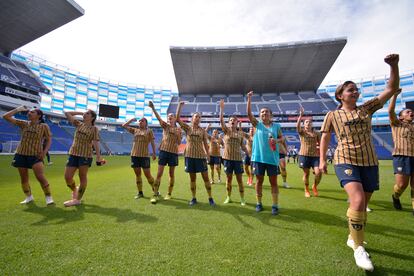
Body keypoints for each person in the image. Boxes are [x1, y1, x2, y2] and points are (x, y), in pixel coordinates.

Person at [319, 54, 399, 272]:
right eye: (349, 89)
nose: (354, 91)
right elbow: (325, 137)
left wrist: (394, 66)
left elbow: (391, 88)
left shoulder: (367, 108)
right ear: (340, 95)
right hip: (345, 158)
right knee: (356, 199)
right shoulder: (332, 115)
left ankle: (352, 237)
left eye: (356, 89)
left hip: (370, 160)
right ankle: (359, 248)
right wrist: (321, 161)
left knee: (362, 204)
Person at [3, 106, 54, 205]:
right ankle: (29, 197)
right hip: (21, 154)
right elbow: (5, 116)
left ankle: (48, 197)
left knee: (40, 177)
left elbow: (49, 140)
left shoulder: (44, 126)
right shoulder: (24, 124)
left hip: (35, 155)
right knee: (24, 178)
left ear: (39, 116)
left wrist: (44, 152)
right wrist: (17, 109)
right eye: (29, 112)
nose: (29, 113)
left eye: (32, 112)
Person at [246, 91, 282, 215]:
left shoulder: (276, 126)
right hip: (258, 158)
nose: (264, 113)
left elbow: (282, 139)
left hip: (272, 159)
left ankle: (275, 205)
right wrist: (249, 99)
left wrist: (276, 140)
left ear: (271, 115)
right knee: (258, 181)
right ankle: (259, 203)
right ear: (260, 115)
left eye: (266, 112)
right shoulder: (257, 124)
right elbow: (249, 114)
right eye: (262, 112)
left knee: (273, 182)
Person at [176, 101, 215, 206]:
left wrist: (208, 154)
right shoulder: (187, 128)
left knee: (205, 178)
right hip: (189, 157)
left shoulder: (202, 131)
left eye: (199, 117)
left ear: (200, 119)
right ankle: (193, 198)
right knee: (192, 179)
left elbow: (206, 144)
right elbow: (177, 119)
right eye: (195, 116)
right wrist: (179, 106)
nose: (197, 118)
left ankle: (210, 198)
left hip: (201, 157)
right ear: (192, 119)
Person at [63, 110, 104, 207]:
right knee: (67, 177)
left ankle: (77, 200)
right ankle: (75, 190)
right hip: (73, 154)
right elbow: (67, 113)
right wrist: (82, 113)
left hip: (85, 155)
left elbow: (96, 143)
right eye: (85, 113)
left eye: (88, 113)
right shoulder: (79, 124)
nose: (85, 114)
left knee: (82, 177)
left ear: (93, 117)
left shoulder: (94, 129)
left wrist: (98, 157)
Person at [149, 101, 182, 201]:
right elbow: (159, 118)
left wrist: (177, 135)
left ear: (175, 119)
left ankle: (169, 193)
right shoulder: (165, 126)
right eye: (168, 117)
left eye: (171, 117)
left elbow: (179, 142)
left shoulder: (178, 130)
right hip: (163, 151)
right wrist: (153, 108)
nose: (169, 118)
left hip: (173, 153)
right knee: (159, 174)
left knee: (171, 174)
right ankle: (155, 194)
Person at [388, 88, 414, 215]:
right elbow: (390, 110)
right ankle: (396, 197)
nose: (411, 113)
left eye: (411, 112)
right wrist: (394, 96)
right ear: (401, 117)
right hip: (401, 156)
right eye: (408, 111)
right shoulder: (396, 124)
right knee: (402, 185)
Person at [219, 100, 249, 205]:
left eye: (234, 120)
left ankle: (242, 199)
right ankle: (228, 197)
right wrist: (221, 109)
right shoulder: (226, 131)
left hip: (238, 160)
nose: (232, 121)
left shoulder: (240, 134)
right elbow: (221, 121)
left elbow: (243, 146)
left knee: (240, 180)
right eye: (231, 120)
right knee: (228, 179)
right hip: (227, 159)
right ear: (229, 123)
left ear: (237, 123)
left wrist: (249, 154)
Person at [122, 117, 157, 203]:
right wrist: (131, 120)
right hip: (134, 155)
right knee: (138, 175)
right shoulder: (135, 130)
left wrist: (154, 153)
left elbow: (152, 142)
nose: (140, 122)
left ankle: (155, 190)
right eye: (139, 121)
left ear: (146, 123)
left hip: (144, 156)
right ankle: (140, 192)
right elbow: (124, 126)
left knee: (148, 175)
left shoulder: (149, 131)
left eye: (142, 121)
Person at [297, 107, 322, 197]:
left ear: (312, 124)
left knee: (318, 173)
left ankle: (314, 186)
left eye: (310, 122)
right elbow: (297, 126)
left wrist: (322, 155)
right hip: (304, 155)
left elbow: (321, 144)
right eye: (306, 122)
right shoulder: (302, 132)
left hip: (315, 156)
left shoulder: (317, 133)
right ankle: (306, 190)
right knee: (306, 173)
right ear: (304, 124)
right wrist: (300, 116)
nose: (308, 123)